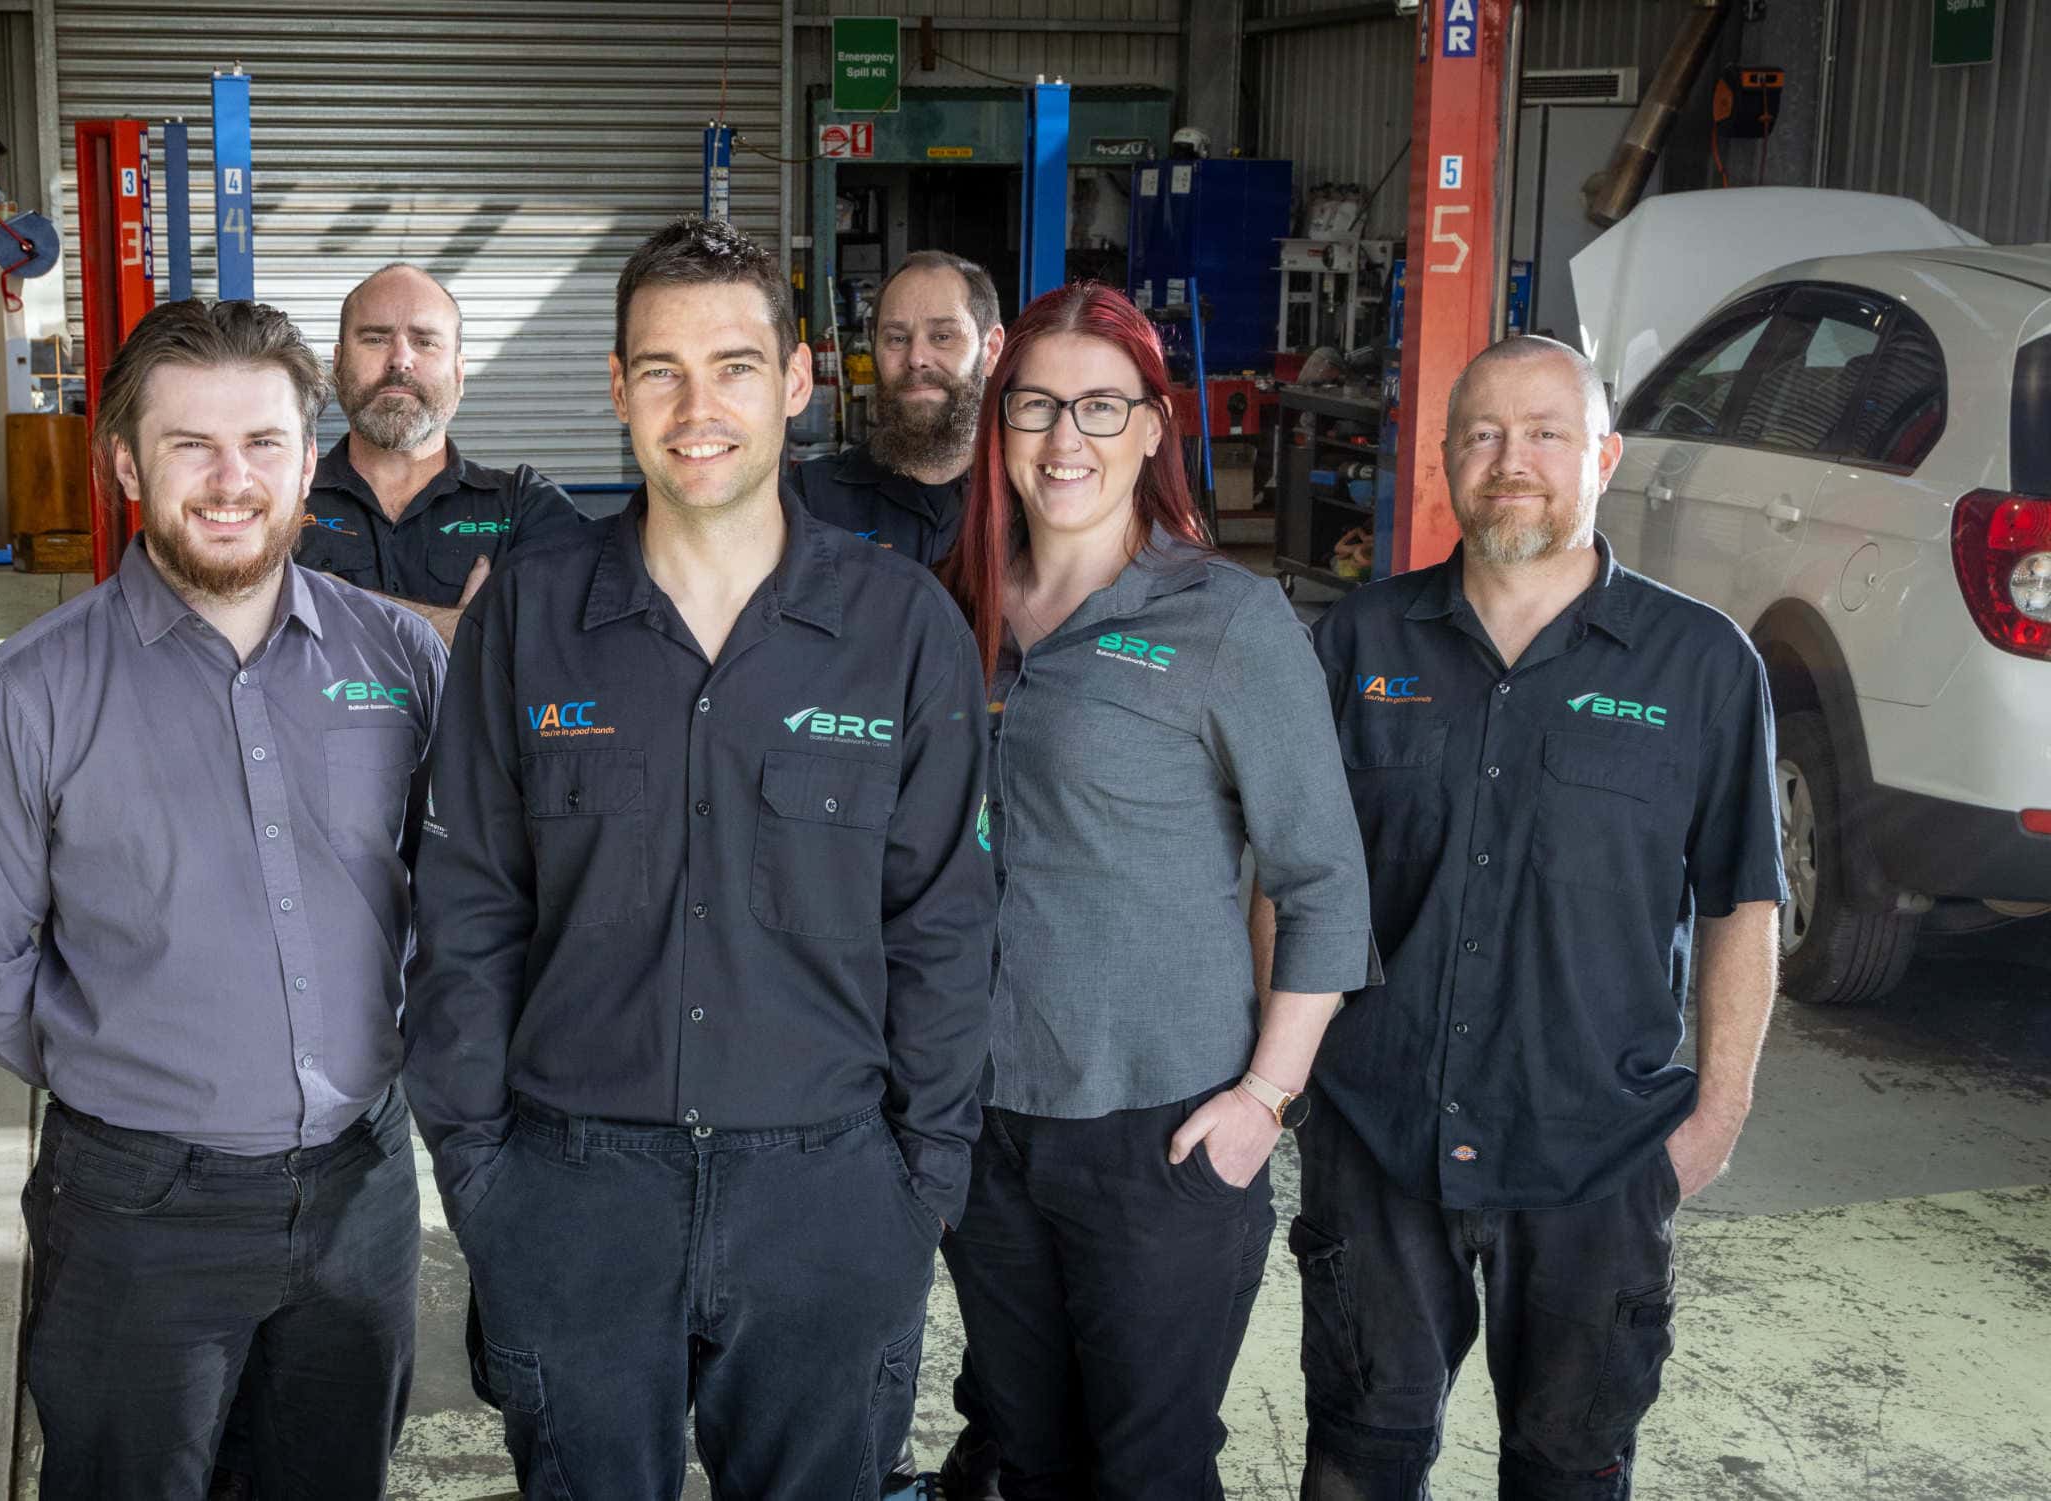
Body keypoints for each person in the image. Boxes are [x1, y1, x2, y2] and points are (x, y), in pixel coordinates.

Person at [406, 215, 994, 1498]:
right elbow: (464, 912)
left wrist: (921, 1183)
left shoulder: (899, 627)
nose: (697, 406)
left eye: (733, 365)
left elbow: (945, 921)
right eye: (660, 369)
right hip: (573, 1189)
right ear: (616, 389)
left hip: (829, 1191)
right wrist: (480, 1174)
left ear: (794, 383)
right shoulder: (526, 616)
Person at [0, 297, 444, 1501]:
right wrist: (137, 1070)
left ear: (310, 459)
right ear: (122, 463)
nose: (229, 480)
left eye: (262, 443)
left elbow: (468, 900)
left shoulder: (403, 664)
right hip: (137, 1210)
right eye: (188, 445)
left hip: (361, 1186)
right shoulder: (30, 695)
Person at [1294, 335, 1786, 1499]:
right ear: (1446, 461)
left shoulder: (1703, 664)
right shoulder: (1357, 642)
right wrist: (1294, 1075)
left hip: (1596, 1150)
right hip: (1378, 1132)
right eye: (1483, 434)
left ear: (1605, 456)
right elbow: (1293, 874)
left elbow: (1742, 900)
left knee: (1569, 1472)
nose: (1512, 461)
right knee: (1359, 1460)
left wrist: (1715, 1114)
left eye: (1547, 433)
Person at [925, 281, 1375, 1500]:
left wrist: (1264, 1101)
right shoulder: (949, 610)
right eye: (1034, 405)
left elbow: (1324, 880)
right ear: (998, 425)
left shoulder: (1225, 620)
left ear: (1152, 427)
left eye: (1099, 406)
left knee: (1150, 1469)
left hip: (1159, 1133)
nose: (1064, 438)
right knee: (1025, 1449)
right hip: (982, 1120)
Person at [301, 261, 587, 640]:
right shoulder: (283, 498)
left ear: (459, 373)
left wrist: (334, 605)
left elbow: (560, 647)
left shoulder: (526, 506)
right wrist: (468, 631)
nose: (400, 359)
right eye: (375, 338)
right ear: (337, 365)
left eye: (425, 341)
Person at [788, 249, 1007, 565]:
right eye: (897, 339)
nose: (916, 358)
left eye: (942, 336)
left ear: (991, 350)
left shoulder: (1031, 502)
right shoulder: (810, 501)